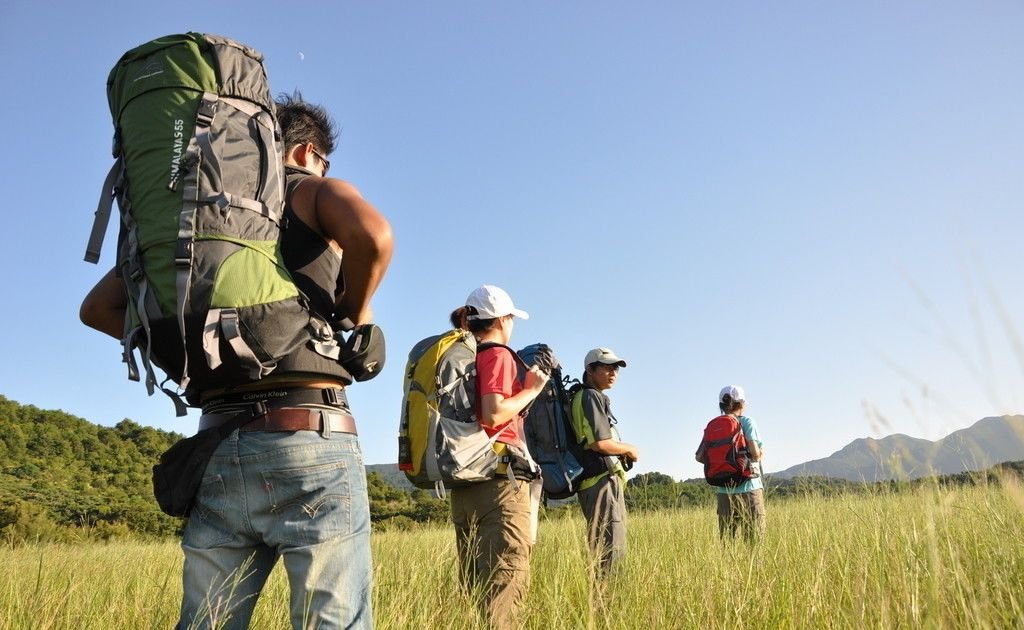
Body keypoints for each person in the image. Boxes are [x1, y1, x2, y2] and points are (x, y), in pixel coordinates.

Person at [80, 93, 393, 629]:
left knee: (208, 622)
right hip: (308, 433)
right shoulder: (308, 188)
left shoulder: (193, 219)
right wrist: (356, 316)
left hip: (217, 444)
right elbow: (374, 235)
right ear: (305, 151)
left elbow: (97, 309)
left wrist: (193, 358)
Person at [447, 285, 548, 630]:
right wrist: (531, 389)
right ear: (504, 319)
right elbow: (493, 414)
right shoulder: (497, 355)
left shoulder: (464, 356)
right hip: (500, 484)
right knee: (503, 593)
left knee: (476, 590)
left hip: (465, 484)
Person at [569, 347, 639, 578]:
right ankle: (609, 606)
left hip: (592, 482)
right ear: (590, 369)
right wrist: (630, 449)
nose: (613, 372)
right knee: (611, 551)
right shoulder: (591, 396)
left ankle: (601, 603)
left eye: (616, 368)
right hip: (600, 483)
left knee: (601, 548)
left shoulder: (583, 396)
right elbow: (600, 444)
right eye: (607, 367)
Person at [704, 385, 766, 541]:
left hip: (724, 492)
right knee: (754, 543)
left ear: (721, 405)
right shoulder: (747, 422)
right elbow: (755, 454)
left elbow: (700, 457)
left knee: (727, 544)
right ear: (742, 403)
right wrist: (760, 452)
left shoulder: (713, 425)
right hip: (749, 488)